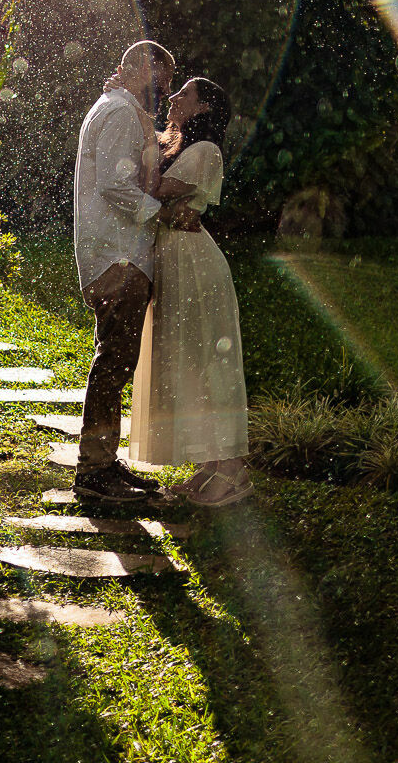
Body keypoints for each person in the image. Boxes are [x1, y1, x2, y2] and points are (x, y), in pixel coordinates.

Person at [129, 77, 251, 507]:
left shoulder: (205, 151)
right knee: (188, 359)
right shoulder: (182, 147)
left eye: (184, 94)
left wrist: (142, 131)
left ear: (202, 109)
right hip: (176, 258)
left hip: (195, 265)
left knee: (206, 358)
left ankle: (233, 471)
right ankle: (208, 465)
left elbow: (152, 189)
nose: (174, 98)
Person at [71, 40, 178, 503]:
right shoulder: (117, 110)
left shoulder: (121, 107)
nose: (166, 89)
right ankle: (93, 475)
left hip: (120, 253)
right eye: (164, 77)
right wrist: (160, 213)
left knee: (115, 360)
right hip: (117, 256)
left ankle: (104, 462)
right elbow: (115, 184)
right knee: (113, 362)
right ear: (140, 67)